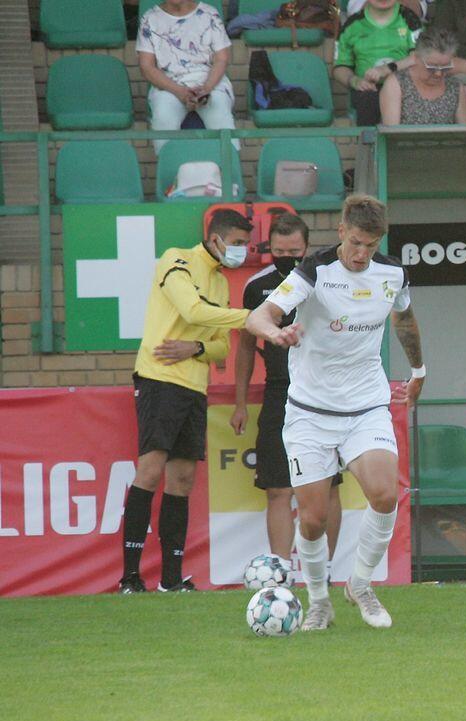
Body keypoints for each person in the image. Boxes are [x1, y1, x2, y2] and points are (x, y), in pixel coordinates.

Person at [245, 195, 426, 630]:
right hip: (310, 412)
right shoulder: (314, 271)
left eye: (371, 245)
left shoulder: (393, 273)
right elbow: (259, 317)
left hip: (366, 405)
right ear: (342, 231)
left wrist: (419, 370)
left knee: (385, 494)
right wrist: (276, 333)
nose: (362, 253)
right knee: (312, 518)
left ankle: (360, 584)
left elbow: (404, 320)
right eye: (356, 242)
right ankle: (319, 600)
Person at [118, 209, 256, 594]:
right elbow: (191, 309)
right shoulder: (176, 259)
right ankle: (130, 577)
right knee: (150, 471)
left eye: (246, 244)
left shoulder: (221, 284)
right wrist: (251, 317)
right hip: (160, 378)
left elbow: (220, 348)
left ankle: (171, 580)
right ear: (215, 239)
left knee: (182, 479)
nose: (242, 251)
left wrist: (195, 347)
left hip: (195, 387)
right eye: (238, 243)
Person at [231, 214, 344, 562]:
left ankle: (325, 569)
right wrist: (240, 403)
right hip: (279, 393)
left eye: (294, 252)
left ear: (306, 247)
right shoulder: (257, 286)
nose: (287, 258)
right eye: (279, 252)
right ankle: (279, 570)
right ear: (270, 248)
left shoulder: (328, 280)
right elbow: (245, 347)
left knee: (328, 487)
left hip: (323, 394)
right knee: (278, 489)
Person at [137, 0, 234, 152]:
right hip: (169, 85)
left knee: (219, 111)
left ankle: (230, 164)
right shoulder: (150, 18)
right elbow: (147, 67)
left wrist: (206, 88)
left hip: (210, 82)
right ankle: (168, 165)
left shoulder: (209, 14)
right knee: (163, 115)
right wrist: (179, 91)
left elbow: (222, 59)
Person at [333, 0, 425, 126]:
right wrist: (355, 81)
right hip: (368, 89)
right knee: (367, 99)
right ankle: (369, 139)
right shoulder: (351, 25)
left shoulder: (410, 19)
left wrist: (385, 69)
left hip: (404, 85)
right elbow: (340, 67)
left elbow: (419, 58)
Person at [380, 28, 466, 125]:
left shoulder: (454, 86)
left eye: (445, 67)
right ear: (416, 58)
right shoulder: (396, 84)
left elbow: (464, 130)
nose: (438, 73)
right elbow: (392, 131)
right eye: (431, 67)